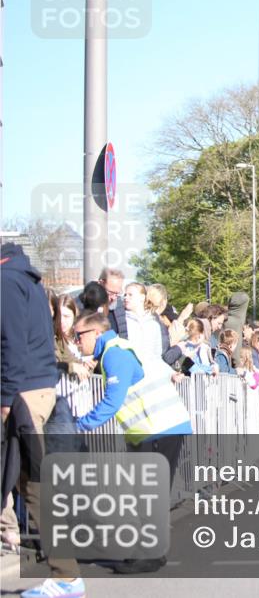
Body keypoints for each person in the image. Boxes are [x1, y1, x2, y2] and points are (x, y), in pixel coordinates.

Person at [72, 310, 193, 574]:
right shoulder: (116, 349)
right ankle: (152, 553)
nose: (76, 341)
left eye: (78, 335)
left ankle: (149, 555)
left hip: (159, 428)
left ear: (96, 333)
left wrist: (79, 425)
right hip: (156, 428)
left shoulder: (115, 354)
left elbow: (112, 401)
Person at [0, 243, 85, 598]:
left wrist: (6, 398)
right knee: (31, 483)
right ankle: (66, 574)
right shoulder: (28, 281)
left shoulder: (7, 280)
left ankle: (67, 576)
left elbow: (11, 342)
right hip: (36, 389)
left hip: (21, 393)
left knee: (34, 486)